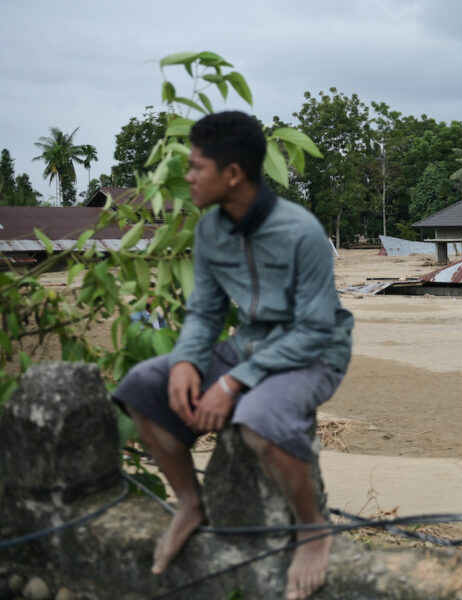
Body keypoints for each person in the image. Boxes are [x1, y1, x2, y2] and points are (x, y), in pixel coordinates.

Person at [112, 111, 353, 600]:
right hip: (246, 346)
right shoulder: (209, 232)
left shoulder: (302, 231)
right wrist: (185, 360)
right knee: (143, 386)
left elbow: (314, 329)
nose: (188, 177)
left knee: (258, 418)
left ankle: (312, 528)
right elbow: (204, 312)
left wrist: (231, 382)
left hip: (315, 352)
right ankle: (190, 503)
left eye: (197, 167)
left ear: (234, 173)